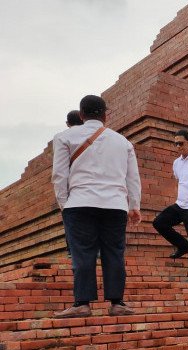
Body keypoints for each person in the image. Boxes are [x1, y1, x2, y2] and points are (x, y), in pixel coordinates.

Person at [51, 95, 141, 318]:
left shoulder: (64, 137)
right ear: (105, 115)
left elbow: (59, 175)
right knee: (114, 253)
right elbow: (133, 178)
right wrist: (135, 205)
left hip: (80, 203)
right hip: (115, 205)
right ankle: (117, 303)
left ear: (81, 115)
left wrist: (64, 203)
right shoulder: (123, 142)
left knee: (83, 252)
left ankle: (82, 303)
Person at [152, 129, 188, 283]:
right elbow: (178, 182)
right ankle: (183, 246)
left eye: (181, 143)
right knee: (159, 222)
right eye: (175, 143)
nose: (178, 146)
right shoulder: (177, 162)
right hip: (180, 205)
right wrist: (177, 197)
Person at [63, 110, 84, 258]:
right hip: (92, 185)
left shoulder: (63, 138)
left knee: (70, 219)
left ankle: (72, 249)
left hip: (72, 186)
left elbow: (60, 170)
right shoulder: (97, 137)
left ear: (67, 123)